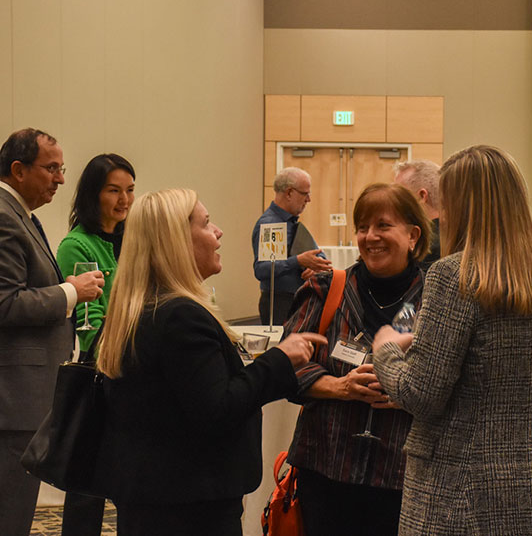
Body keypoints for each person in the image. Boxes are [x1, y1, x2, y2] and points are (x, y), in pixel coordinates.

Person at [371, 145, 532, 536]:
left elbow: (422, 394)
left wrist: (385, 352)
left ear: (461, 207)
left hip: (458, 494)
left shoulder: (455, 277)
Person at [95, 189, 325, 536]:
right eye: (206, 224)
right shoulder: (180, 317)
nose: (218, 232)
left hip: (154, 496)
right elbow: (217, 408)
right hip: (188, 503)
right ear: (176, 241)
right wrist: (281, 359)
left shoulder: (140, 309)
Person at [282, 182, 430, 536]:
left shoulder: (437, 301)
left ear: (412, 235)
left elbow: (453, 378)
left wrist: (404, 392)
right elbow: (286, 365)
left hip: (404, 476)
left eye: (383, 225)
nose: (370, 236)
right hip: (327, 471)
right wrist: (340, 387)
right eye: (362, 227)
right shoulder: (324, 288)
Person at [0, 128, 104, 536]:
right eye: (52, 168)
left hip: (23, 394)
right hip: (13, 397)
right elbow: (6, 303)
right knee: (9, 512)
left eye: (63, 169)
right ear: (18, 170)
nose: (61, 179)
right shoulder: (5, 219)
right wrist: (70, 292)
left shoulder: (22, 216)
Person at [54, 153, 136, 536]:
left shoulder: (132, 240)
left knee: (132, 481)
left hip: (134, 367)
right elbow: (92, 324)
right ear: (93, 194)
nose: (124, 200)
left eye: (130, 190)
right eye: (113, 190)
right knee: (88, 487)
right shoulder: (77, 245)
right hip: (99, 368)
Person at [252, 167, 331, 324]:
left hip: (295, 300)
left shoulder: (290, 222)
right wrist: (299, 261)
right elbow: (262, 269)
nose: (308, 199)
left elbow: (317, 255)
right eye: (305, 194)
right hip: (279, 303)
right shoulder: (271, 224)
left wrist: (312, 266)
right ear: (289, 193)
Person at [393, 159, 441, 271]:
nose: (393, 202)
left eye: (398, 195)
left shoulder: (422, 247)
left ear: (421, 196)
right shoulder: (456, 237)